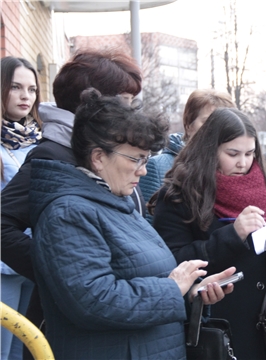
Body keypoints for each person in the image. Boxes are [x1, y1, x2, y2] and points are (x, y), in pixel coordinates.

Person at [29, 88, 235, 359]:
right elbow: (93, 301)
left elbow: (139, 277)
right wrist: (173, 288)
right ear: (99, 158)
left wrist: (190, 293)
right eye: (135, 159)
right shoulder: (68, 213)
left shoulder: (111, 200)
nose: (144, 169)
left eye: (146, 158)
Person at [0, 49, 146, 355]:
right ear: (92, 105)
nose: (132, 113)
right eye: (125, 103)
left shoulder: (105, 152)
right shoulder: (54, 155)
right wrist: (57, 269)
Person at [149, 107, 266, 359]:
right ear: (209, 151)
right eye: (233, 153)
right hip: (216, 326)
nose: (243, 163)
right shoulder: (179, 194)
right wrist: (233, 234)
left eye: (250, 153)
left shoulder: (263, 186)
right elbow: (173, 261)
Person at [139, 89, 235, 223]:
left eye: (222, 123)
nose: (215, 130)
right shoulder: (158, 166)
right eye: (207, 122)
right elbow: (146, 228)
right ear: (189, 125)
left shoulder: (235, 168)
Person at [0, 56, 41, 360]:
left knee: (25, 350)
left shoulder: (41, 142)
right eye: (15, 87)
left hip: (32, 257)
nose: (26, 96)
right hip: (2, 263)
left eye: (32, 89)